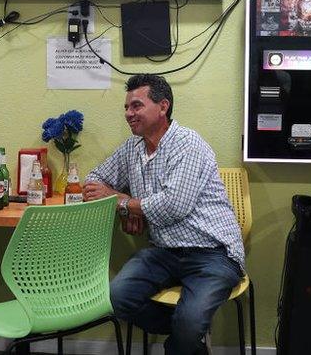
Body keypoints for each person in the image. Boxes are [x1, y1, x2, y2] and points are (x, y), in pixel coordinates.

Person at [83, 74, 244, 355]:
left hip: (213, 253)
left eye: (136, 106)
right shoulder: (132, 148)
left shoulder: (188, 144)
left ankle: (187, 336)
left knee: (189, 321)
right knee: (118, 297)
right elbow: (93, 181)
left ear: (163, 106)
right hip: (163, 252)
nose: (128, 114)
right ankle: (189, 337)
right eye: (126, 108)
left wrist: (124, 202)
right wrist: (128, 210)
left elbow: (172, 206)